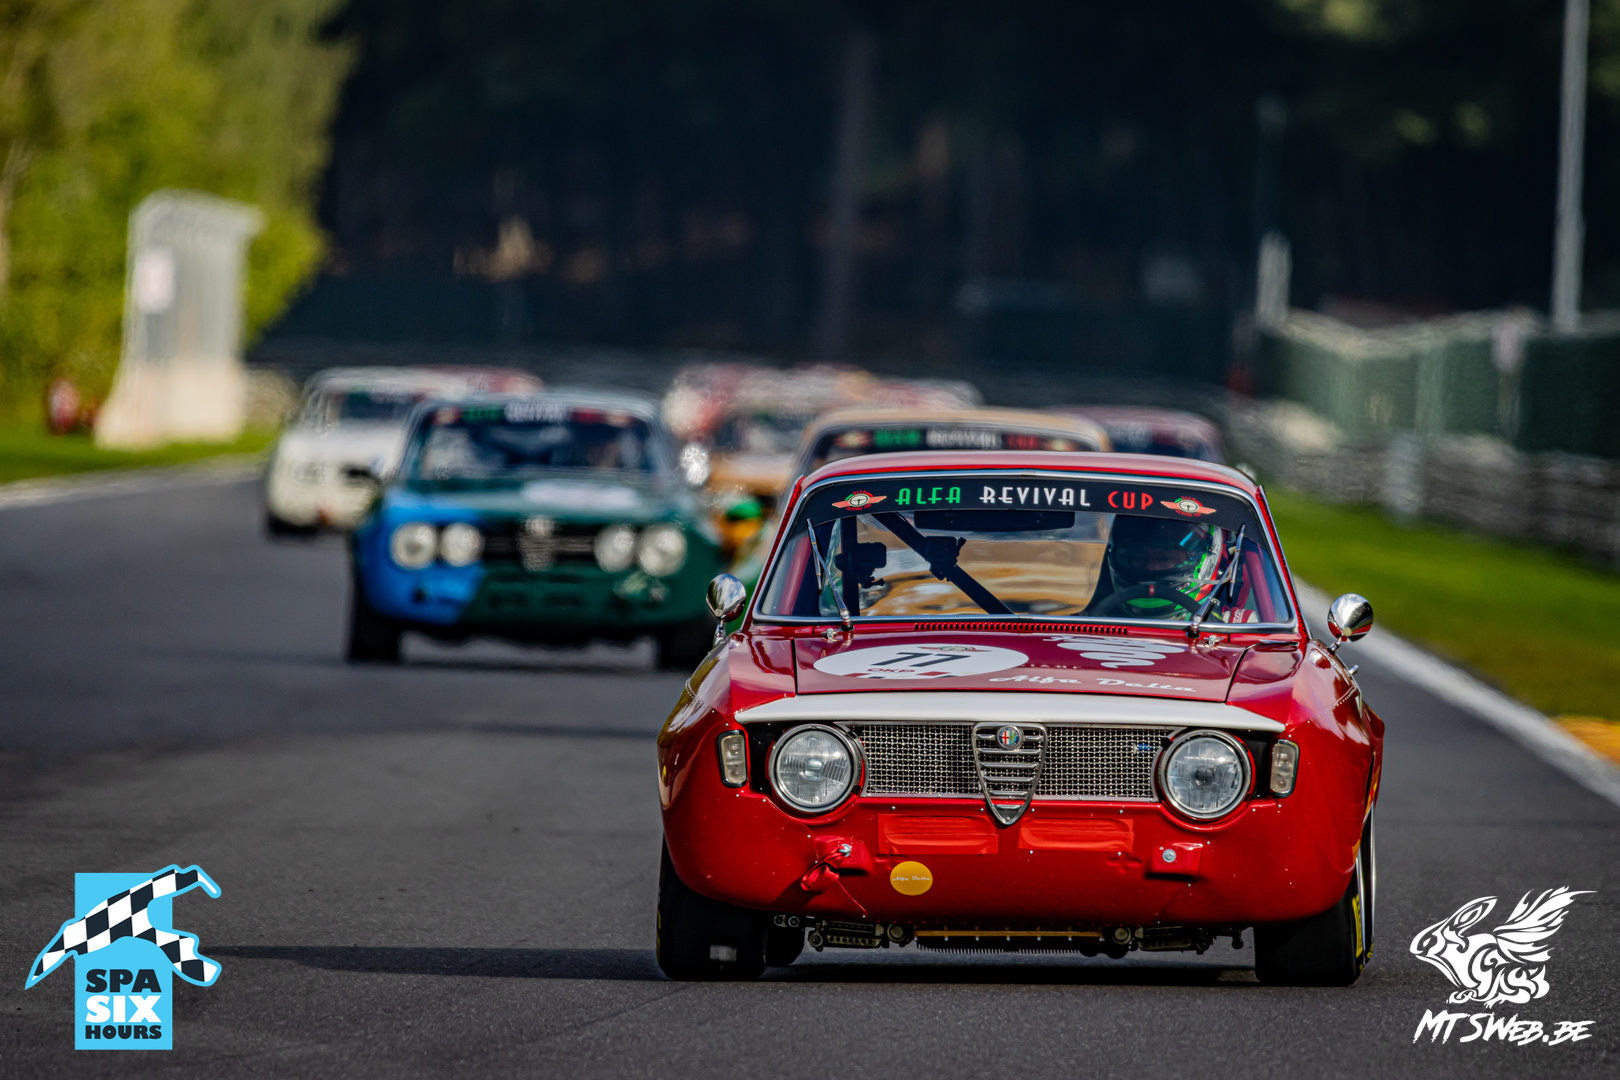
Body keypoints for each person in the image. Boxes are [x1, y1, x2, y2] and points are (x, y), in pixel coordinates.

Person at [1089, 515, 1225, 619]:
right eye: (1140, 558)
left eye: (1165, 558)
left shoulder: (1231, 627)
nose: (1151, 567)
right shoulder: (1089, 622)